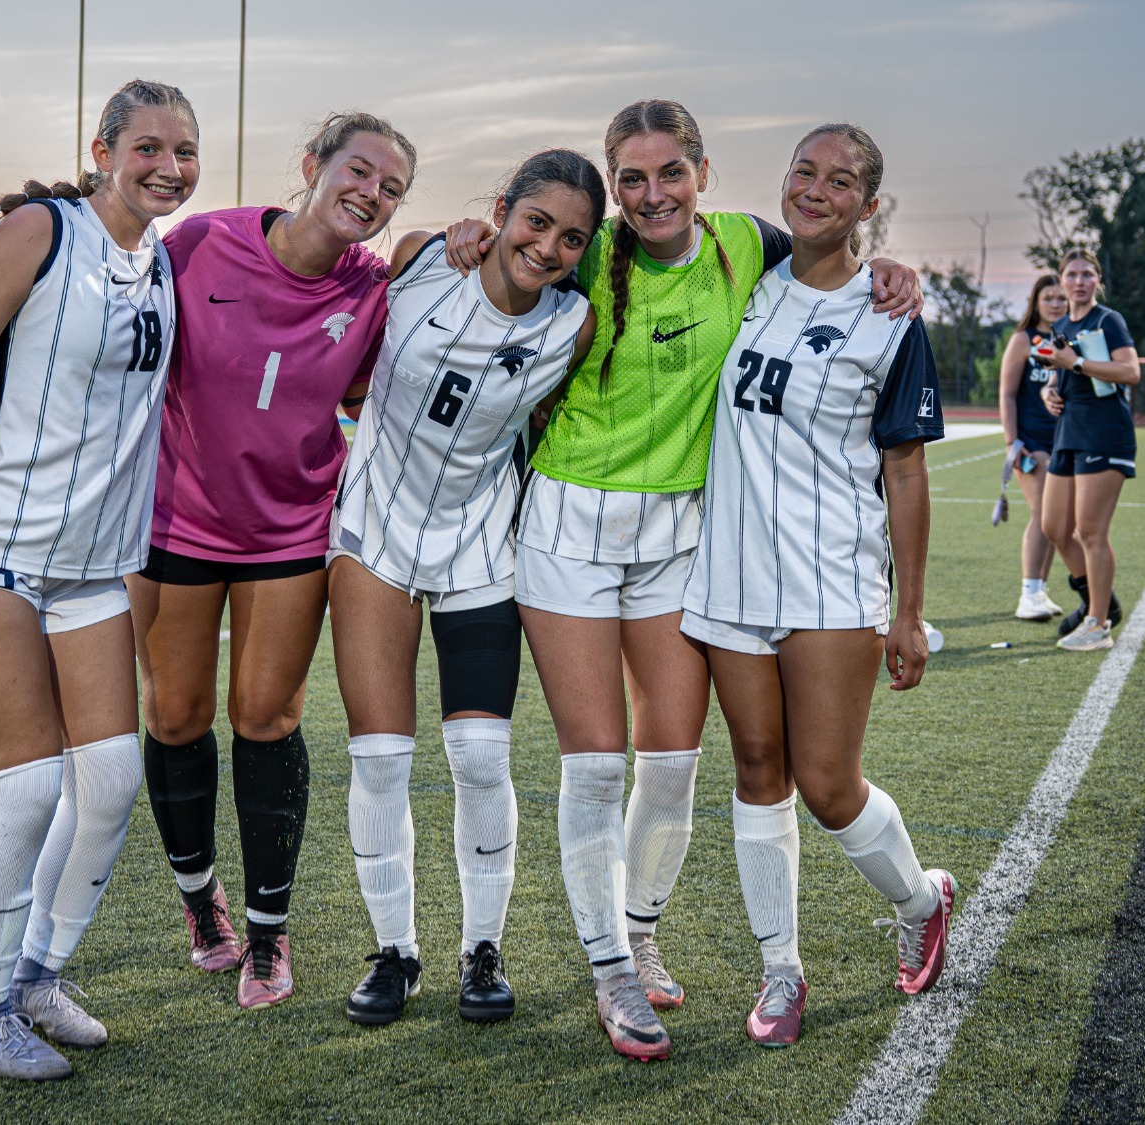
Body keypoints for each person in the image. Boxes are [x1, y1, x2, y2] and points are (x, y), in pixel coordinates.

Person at [443, 99, 922, 1061]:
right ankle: (611, 971)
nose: (653, 193)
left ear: (703, 172)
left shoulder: (748, 245)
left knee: (673, 758)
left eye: (671, 172)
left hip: (682, 534)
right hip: (570, 524)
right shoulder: (585, 257)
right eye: (633, 177)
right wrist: (460, 234)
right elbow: (499, 257)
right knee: (596, 761)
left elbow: (833, 248)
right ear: (613, 184)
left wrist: (889, 270)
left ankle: (645, 932)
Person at [0, 79, 197, 1081]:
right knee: (22, 791)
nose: (168, 167)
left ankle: (33, 977)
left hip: (94, 568)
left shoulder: (159, 261)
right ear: (100, 149)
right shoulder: (34, 233)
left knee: (107, 783)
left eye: (185, 152)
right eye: (147, 147)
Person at [130, 112, 415, 1011]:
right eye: (359, 171)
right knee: (175, 717)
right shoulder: (201, 242)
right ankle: (199, 902)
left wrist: (453, 238)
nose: (370, 195)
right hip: (176, 522)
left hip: (291, 533)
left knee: (266, 715)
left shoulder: (378, 287)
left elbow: (386, 373)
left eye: (392, 188)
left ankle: (265, 931)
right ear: (312, 167)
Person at [682, 122, 954, 1049]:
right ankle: (781, 969)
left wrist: (909, 613)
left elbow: (907, 472)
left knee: (829, 784)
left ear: (868, 208)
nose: (817, 189)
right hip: (726, 573)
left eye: (842, 182)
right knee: (758, 771)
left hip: (832, 575)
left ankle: (921, 900)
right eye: (806, 171)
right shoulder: (745, 272)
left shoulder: (890, 315)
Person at [329, 150, 603, 1027]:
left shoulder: (575, 323)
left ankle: (481, 949)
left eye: (572, 238)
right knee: (382, 758)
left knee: (480, 757)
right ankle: (396, 950)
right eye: (536, 223)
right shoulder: (419, 261)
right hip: (374, 528)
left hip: (482, 538)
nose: (549, 247)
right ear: (500, 210)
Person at [1039, 248, 1141, 652]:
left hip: (1104, 432)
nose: (1079, 281)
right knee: (1054, 528)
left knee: (1091, 531)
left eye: (1087, 274)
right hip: (1068, 431)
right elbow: (1056, 375)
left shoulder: (1108, 320)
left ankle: (1098, 623)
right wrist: (1050, 391)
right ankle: (1100, 601)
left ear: (1097, 280)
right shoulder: (1060, 324)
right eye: (1072, 275)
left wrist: (1077, 363)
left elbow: (1129, 371)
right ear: (1062, 281)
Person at [996, 274, 1067, 620]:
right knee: (1044, 515)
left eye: (1061, 298)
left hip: (1065, 441)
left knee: (1056, 519)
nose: (1056, 304)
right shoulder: (1025, 339)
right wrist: (1013, 442)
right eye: (1049, 297)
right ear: (1036, 302)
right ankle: (1028, 594)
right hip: (1031, 443)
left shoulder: (1069, 340)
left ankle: (1040, 590)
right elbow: (1007, 394)